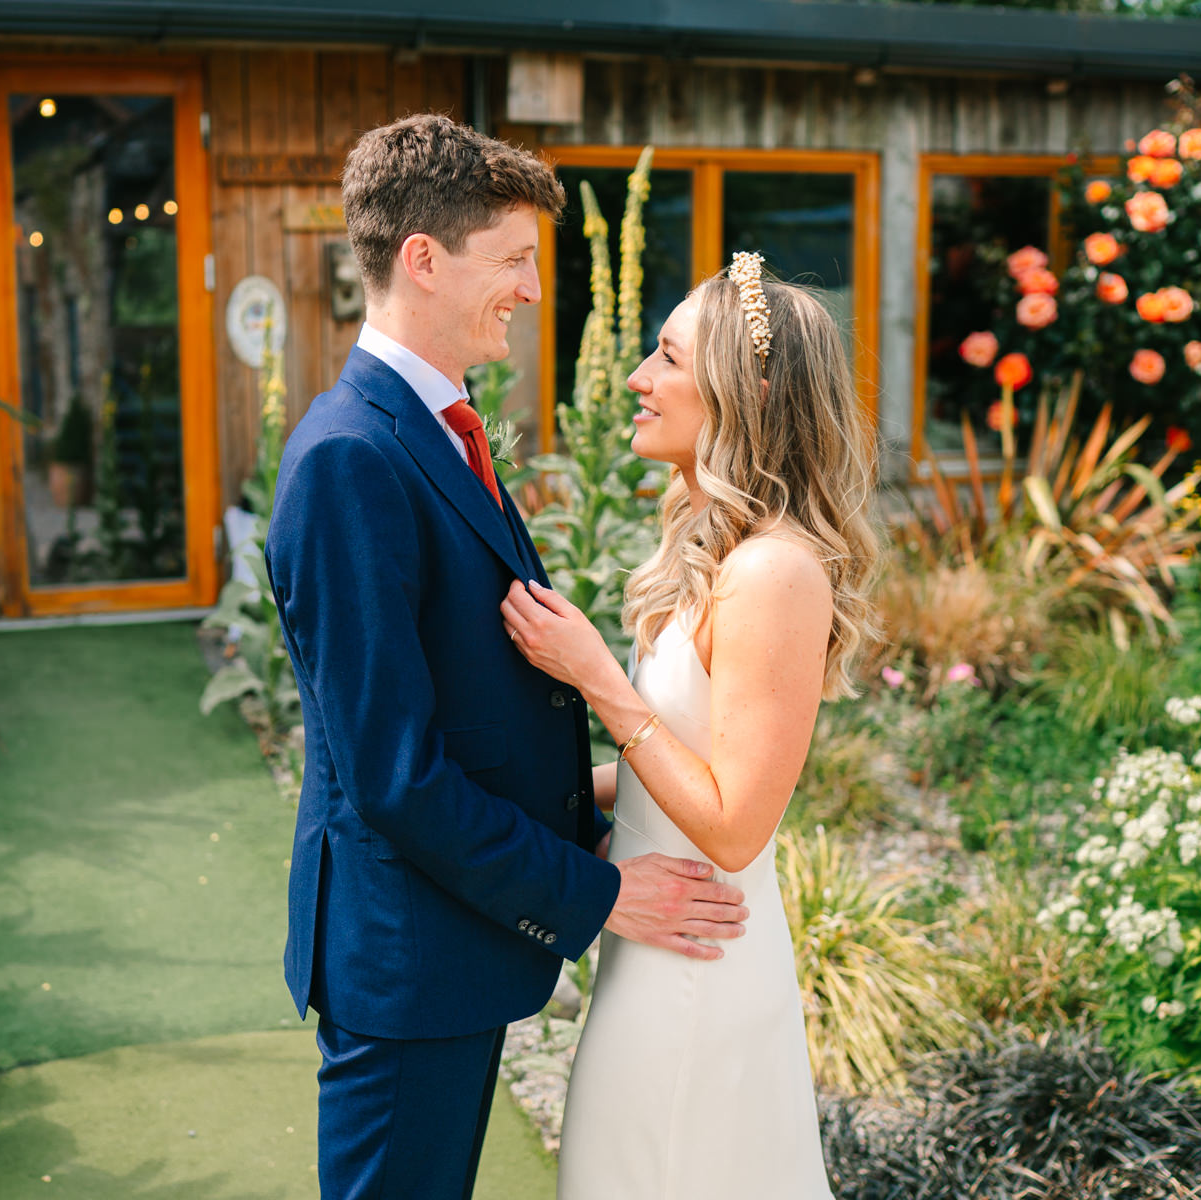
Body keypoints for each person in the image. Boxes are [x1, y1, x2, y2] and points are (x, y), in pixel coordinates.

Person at [264, 113, 750, 1200]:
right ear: (422, 260)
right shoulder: (352, 459)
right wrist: (596, 895)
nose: (535, 291)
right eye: (518, 260)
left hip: (454, 944)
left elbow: (480, 714)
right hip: (406, 958)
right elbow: (395, 777)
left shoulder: (438, 427)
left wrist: (645, 783)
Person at [500, 252, 883, 1199]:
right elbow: (680, 765)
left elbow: (735, 821)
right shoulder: (719, 552)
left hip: (699, 974)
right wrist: (520, 792)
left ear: (743, 391)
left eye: (667, 358)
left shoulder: (774, 573)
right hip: (656, 950)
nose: (638, 379)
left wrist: (598, 680)